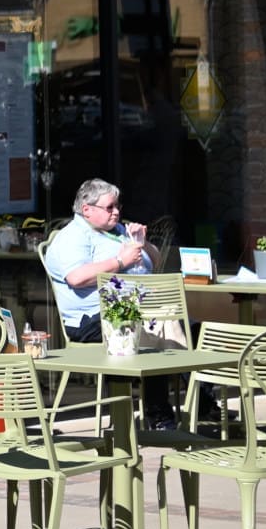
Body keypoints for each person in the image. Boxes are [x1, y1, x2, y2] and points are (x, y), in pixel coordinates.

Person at [43, 179, 174, 425]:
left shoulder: (118, 232)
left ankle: (199, 403)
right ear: (87, 210)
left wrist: (143, 243)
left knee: (190, 326)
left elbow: (154, 262)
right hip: (94, 319)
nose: (117, 212)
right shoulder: (73, 237)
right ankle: (161, 416)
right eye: (110, 207)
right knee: (160, 337)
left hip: (138, 309)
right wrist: (120, 261)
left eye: (118, 206)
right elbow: (77, 277)